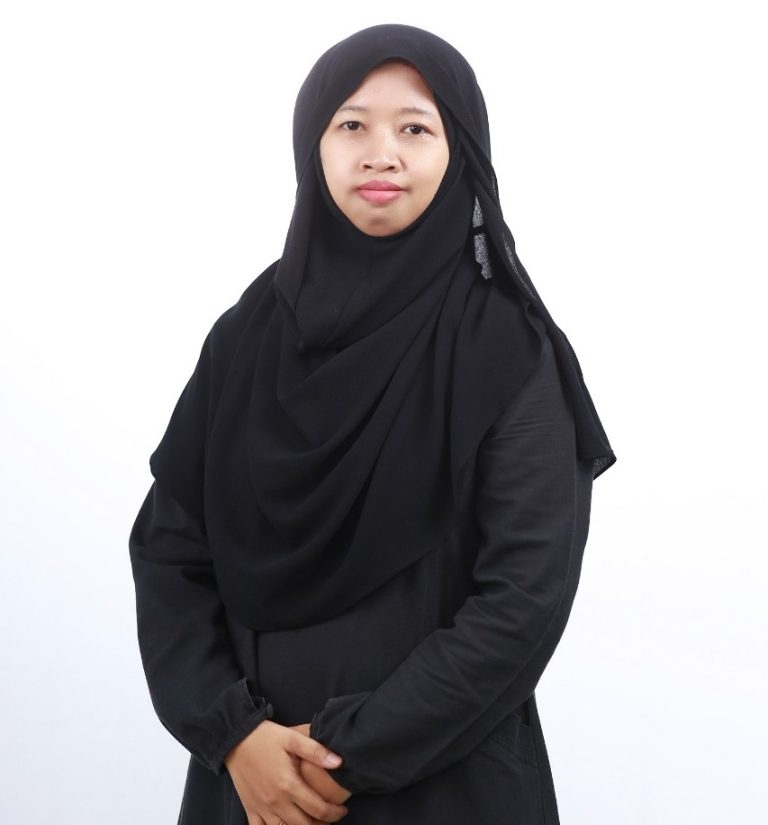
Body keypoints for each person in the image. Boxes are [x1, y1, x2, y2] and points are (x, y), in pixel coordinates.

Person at [128, 22, 617, 825]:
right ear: (312, 145)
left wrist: (337, 760)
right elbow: (169, 551)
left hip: (443, 786)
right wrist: (235, 735)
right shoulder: (246, 338)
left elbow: (522, 601)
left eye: (415, 129)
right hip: (251, 787)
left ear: (459, 150)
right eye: (351, 124)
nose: (380, 153)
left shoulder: (506, 349)